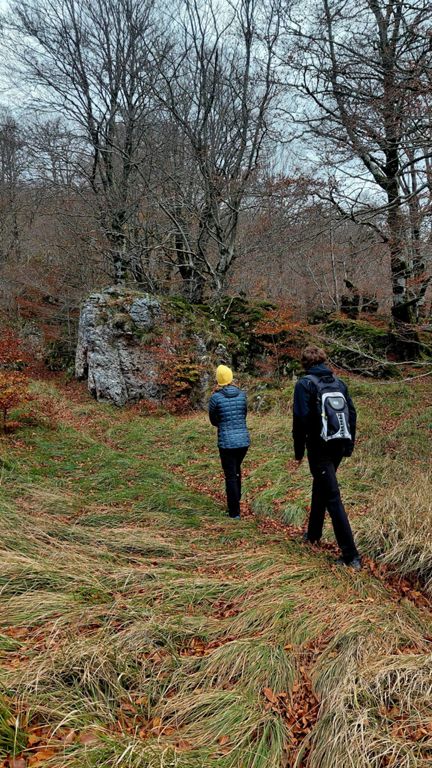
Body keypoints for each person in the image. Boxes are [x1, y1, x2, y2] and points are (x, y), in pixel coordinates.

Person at [292, 345, 361, 570]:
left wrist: (299, 451)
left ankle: (351, 556)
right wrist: (348, 445)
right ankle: (314, 534)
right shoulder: (339, 383)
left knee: (332, 496)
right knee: (321, 485)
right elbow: (352, 413)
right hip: (339, 443)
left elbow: (300, 420)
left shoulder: (305, 385)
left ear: (305, 363)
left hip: (319, 447)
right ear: (323, 361)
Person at [209, 365, 250, 519]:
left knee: (230, 476)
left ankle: (234, 512)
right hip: (243, 441)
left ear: (218, 380)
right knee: (237, 470)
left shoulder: (215, 398)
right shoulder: (242, 395)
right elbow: (244, 414)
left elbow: (213, 420)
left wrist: (223, 425)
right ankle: (237, 499)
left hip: (226, 442)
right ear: (231, 377)